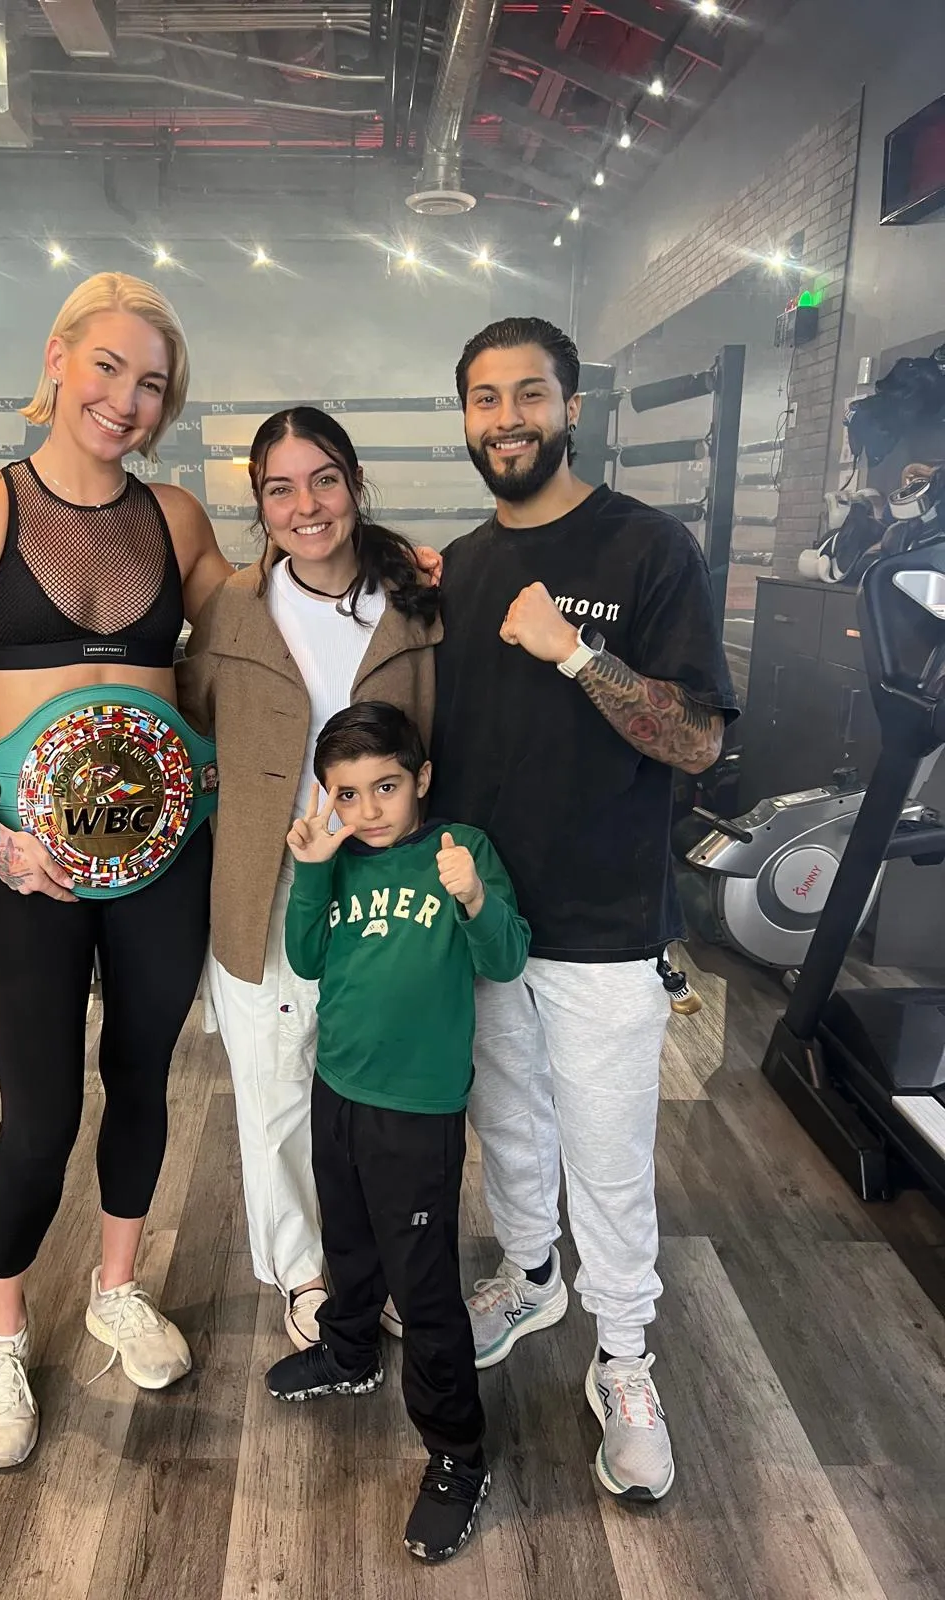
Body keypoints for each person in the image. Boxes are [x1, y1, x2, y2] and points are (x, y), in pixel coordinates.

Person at [0, 271, 234, 1469]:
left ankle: (115, 1290)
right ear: (57, 358)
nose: (127, 401)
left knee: (142, 1080)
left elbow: (257, 628)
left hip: (164, 858)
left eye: (153, 385)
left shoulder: (177, 517)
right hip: (25, 863)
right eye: (109, 368)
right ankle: (3, 1329)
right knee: (38, 1116)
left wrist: (383, 567)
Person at [430, 316, 739, 1502]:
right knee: (509, 1119)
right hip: (487, 910)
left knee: (608, 1153)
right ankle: (529, 1275)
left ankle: (625, 1357)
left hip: (606, 916)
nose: (506, 418)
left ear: (571, 407)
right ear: (466, 416)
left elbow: (698, 739)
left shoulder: (648, 548)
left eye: (529, 394)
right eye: (484, 397)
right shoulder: (460, 568)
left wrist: (573, 654)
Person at [177, 409, 441, 1350]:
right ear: (258, 503)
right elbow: (192, 728)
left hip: (390, 891)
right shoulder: (233, 612)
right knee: (276, 1089)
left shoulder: (416, 604)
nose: (306, 505)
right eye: (279, 488)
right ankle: (305, 1271)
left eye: (324, 479)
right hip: (271, 887)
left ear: (355, 483)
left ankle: (387, 1262)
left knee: (386, 1096)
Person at [264, 702, 529, 1563]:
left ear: (421, 779)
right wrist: (311, 870)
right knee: (346, 1238)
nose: (369, 809)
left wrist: (475, 897)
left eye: (386, 786)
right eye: (347, 794)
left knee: (422, 1287)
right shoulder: (336, 858)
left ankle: (456, 1453)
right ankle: (348, 1353)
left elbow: (506, 959)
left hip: (418, 1110)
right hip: (337, 1086)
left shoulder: (460, 850)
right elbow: (306, 959)